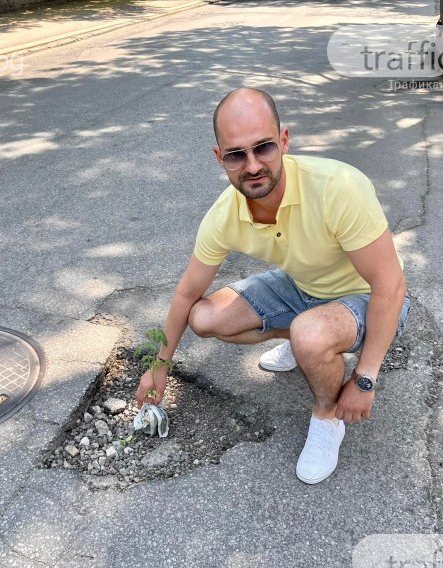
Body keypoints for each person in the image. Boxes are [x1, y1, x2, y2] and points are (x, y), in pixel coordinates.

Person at [134, 87, 410, 484]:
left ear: (284, 140)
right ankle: (307, 343)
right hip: (303, 287)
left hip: (369, 297)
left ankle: (327, 415)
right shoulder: (224, 215)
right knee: (205, 317)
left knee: (311, 334)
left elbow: (390, 286)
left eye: (262, 147)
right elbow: (186, 294)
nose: (251, 166)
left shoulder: (337, 187)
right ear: (219, 158)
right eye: (235, 155)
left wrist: (365, 378)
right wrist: (159, 365)